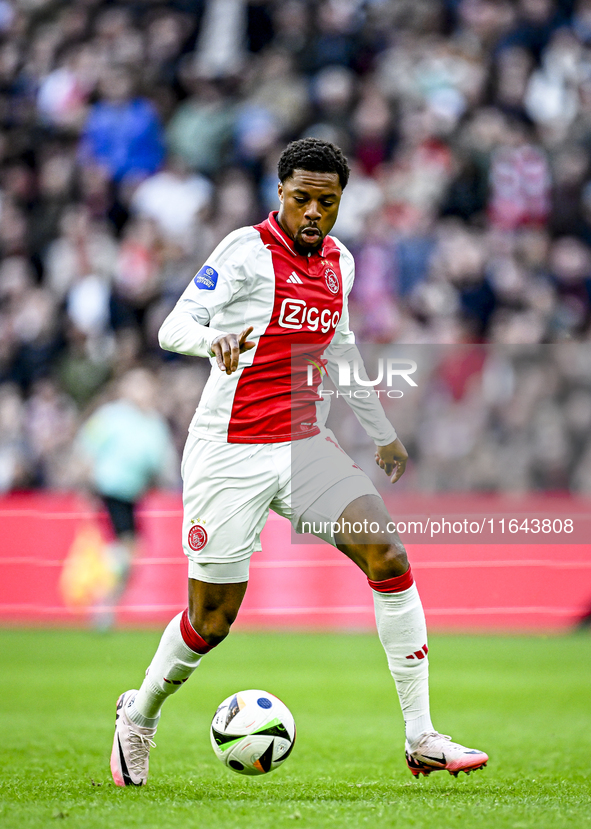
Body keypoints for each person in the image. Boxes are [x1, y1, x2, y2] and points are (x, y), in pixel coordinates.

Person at [110, 138, 488, 785]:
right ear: (279, 194)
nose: (314, 212)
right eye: (302, 198)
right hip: (229, 451)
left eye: (327, 201)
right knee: (211, 619)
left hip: (303, 444)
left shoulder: (337, 260)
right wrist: (213, 341)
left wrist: (380, 432)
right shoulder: (243, 252)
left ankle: (421, 735)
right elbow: (171, 326)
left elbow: (339, 352)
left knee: (389, 556)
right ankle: (138, 713)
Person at [76, 368, 177, 630]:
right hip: (109, 491)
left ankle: (106, 602)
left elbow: (161, 464)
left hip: (133, 496)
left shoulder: (154, 424)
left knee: (131, 552)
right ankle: (103, 602)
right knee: (125, 548)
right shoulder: (112, 416)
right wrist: (86, 485)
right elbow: (87, 447)